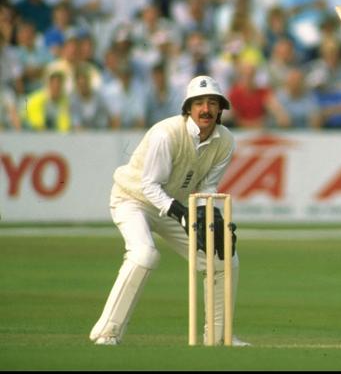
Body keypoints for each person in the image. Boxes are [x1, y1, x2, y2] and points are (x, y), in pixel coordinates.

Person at [89, 75, 249, 347]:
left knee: (224, 259)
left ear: (221, 108)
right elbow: (149, 186)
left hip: (175, 206)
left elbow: (207, 189)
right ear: (188, 108)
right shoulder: (167, 134)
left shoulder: (225, 141)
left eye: (212, 102)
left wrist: (210, 218)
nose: (206, 109)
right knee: (144, 254)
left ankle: (219, 337)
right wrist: (182, 213)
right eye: (199, 103)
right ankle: (107, 333)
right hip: (133, 199)